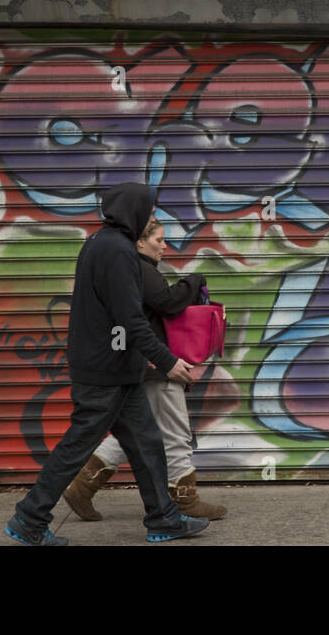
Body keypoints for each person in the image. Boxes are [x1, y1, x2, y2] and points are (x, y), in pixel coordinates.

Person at [4, 181, 207, 546]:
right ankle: (29, 520)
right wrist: (167, 361)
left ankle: (164, 518)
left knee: (147, 445)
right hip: (104, 372)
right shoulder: (116, 251)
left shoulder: (104, 243)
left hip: (118, 369)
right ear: (133, 210)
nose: (151, 216)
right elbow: (131, 318)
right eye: (148, 208)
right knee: (76, 447)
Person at [62, 216, 227, 522]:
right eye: (159, 240)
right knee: (175, 431)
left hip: (145, 362)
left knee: (137, 433)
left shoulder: (129, 267)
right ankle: (185, 499)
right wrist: (195, 281)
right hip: (157, 363)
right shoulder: (140, 268)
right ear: (140, 241)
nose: (164, 247)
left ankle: (82, 485)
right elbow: (166, 301)